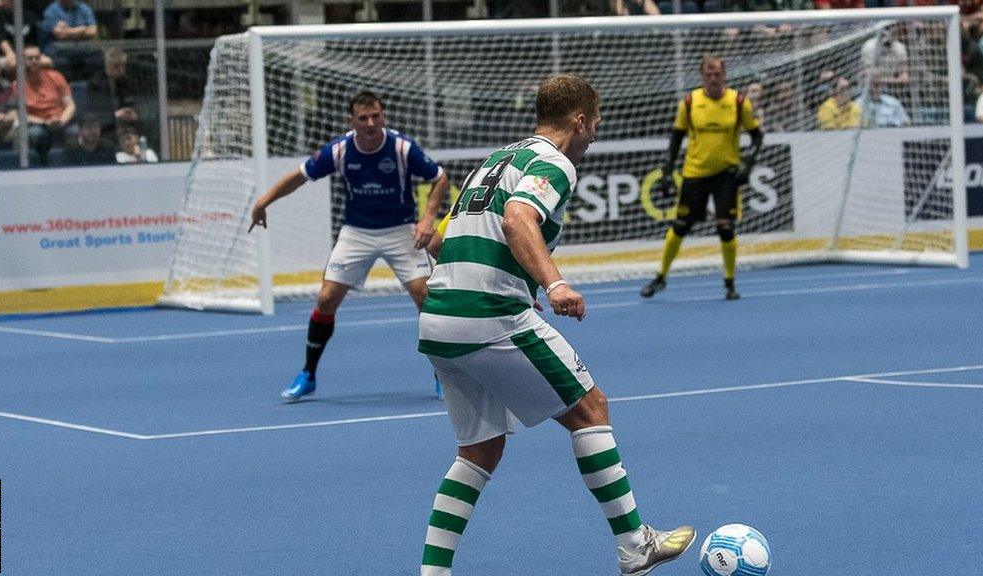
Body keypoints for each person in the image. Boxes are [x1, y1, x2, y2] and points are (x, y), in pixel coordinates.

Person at [417, 73, 695, 576]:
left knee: (479, 449)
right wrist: (554, 283)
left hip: (438, 318)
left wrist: (513, 276)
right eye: (596, 125)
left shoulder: (497, 159)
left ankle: (432, 573)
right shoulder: (554, 162)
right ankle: (635, 545)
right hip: (488, 316)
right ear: (580, 120)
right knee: (591, 408)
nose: (594, 136)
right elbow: (519, 218)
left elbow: (439, 244)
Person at [249, 91, 449, 402]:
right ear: (351, 120)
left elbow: (440, 178)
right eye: (363, 118)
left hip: (401, 231)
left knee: (426, 298)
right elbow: (299, 177)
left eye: (376, 117)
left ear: (383, 116)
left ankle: (444, 374)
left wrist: (427, 219)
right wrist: (264, 201)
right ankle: (308, 374)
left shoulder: (401, 147)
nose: (370, 123)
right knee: (326, 299)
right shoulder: (340, 150)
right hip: (357, 232)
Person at [640, 55, 763, 301]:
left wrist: (748, 164)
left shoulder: (738, 102)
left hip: (726, 174)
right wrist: (667, 172)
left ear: (725, 75)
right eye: (709, 74)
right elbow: (676, 138)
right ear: (702, 77)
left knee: (726, 227)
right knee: (681, 226)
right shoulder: (689, 102)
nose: (713, 78)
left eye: (717, 74)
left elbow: (757, 136)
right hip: (694, 173)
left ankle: (729, 282)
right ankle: (661, 276)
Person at [15, 44, 75, 161]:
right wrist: (44, 122)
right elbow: (22, 114)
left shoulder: (56, 76)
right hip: (37, 124)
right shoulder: (18, 84)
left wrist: (61, 121)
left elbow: (70, 105)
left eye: (37, 58)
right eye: (30, 58)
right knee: (37, 134)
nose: (34, 61)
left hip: (60, 121)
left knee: (75, 132)